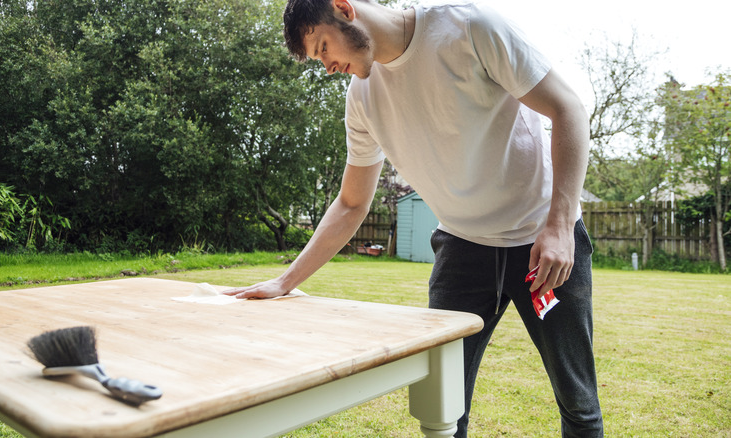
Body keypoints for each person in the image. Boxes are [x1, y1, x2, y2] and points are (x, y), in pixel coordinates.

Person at [224, 0, 604, 436]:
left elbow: (568, 108)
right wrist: (284, 281)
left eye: (323, 47)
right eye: (319, 59)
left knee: (579, 403)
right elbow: (351, 204)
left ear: (344, 9)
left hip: (544, 244)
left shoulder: (470, 27)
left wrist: (558, 226)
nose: (327, 66)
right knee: (443, 405)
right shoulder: (362, 98)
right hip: (463, 250)